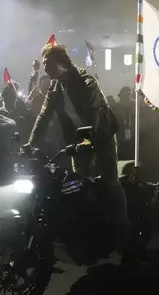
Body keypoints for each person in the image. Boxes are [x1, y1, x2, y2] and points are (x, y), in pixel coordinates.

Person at [25, 43, 130, 259]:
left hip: (101, 136)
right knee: (77, 184)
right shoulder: (55, 87)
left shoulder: (86, 81)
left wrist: (85, 142)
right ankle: (86, 231)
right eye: (43, 64)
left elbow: (94, 115)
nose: (45, 68)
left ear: (61, 62)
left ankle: (122, 229)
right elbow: (44, 115)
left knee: (111, 182)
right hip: (77, 140)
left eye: (48, 63)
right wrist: (30, 143)